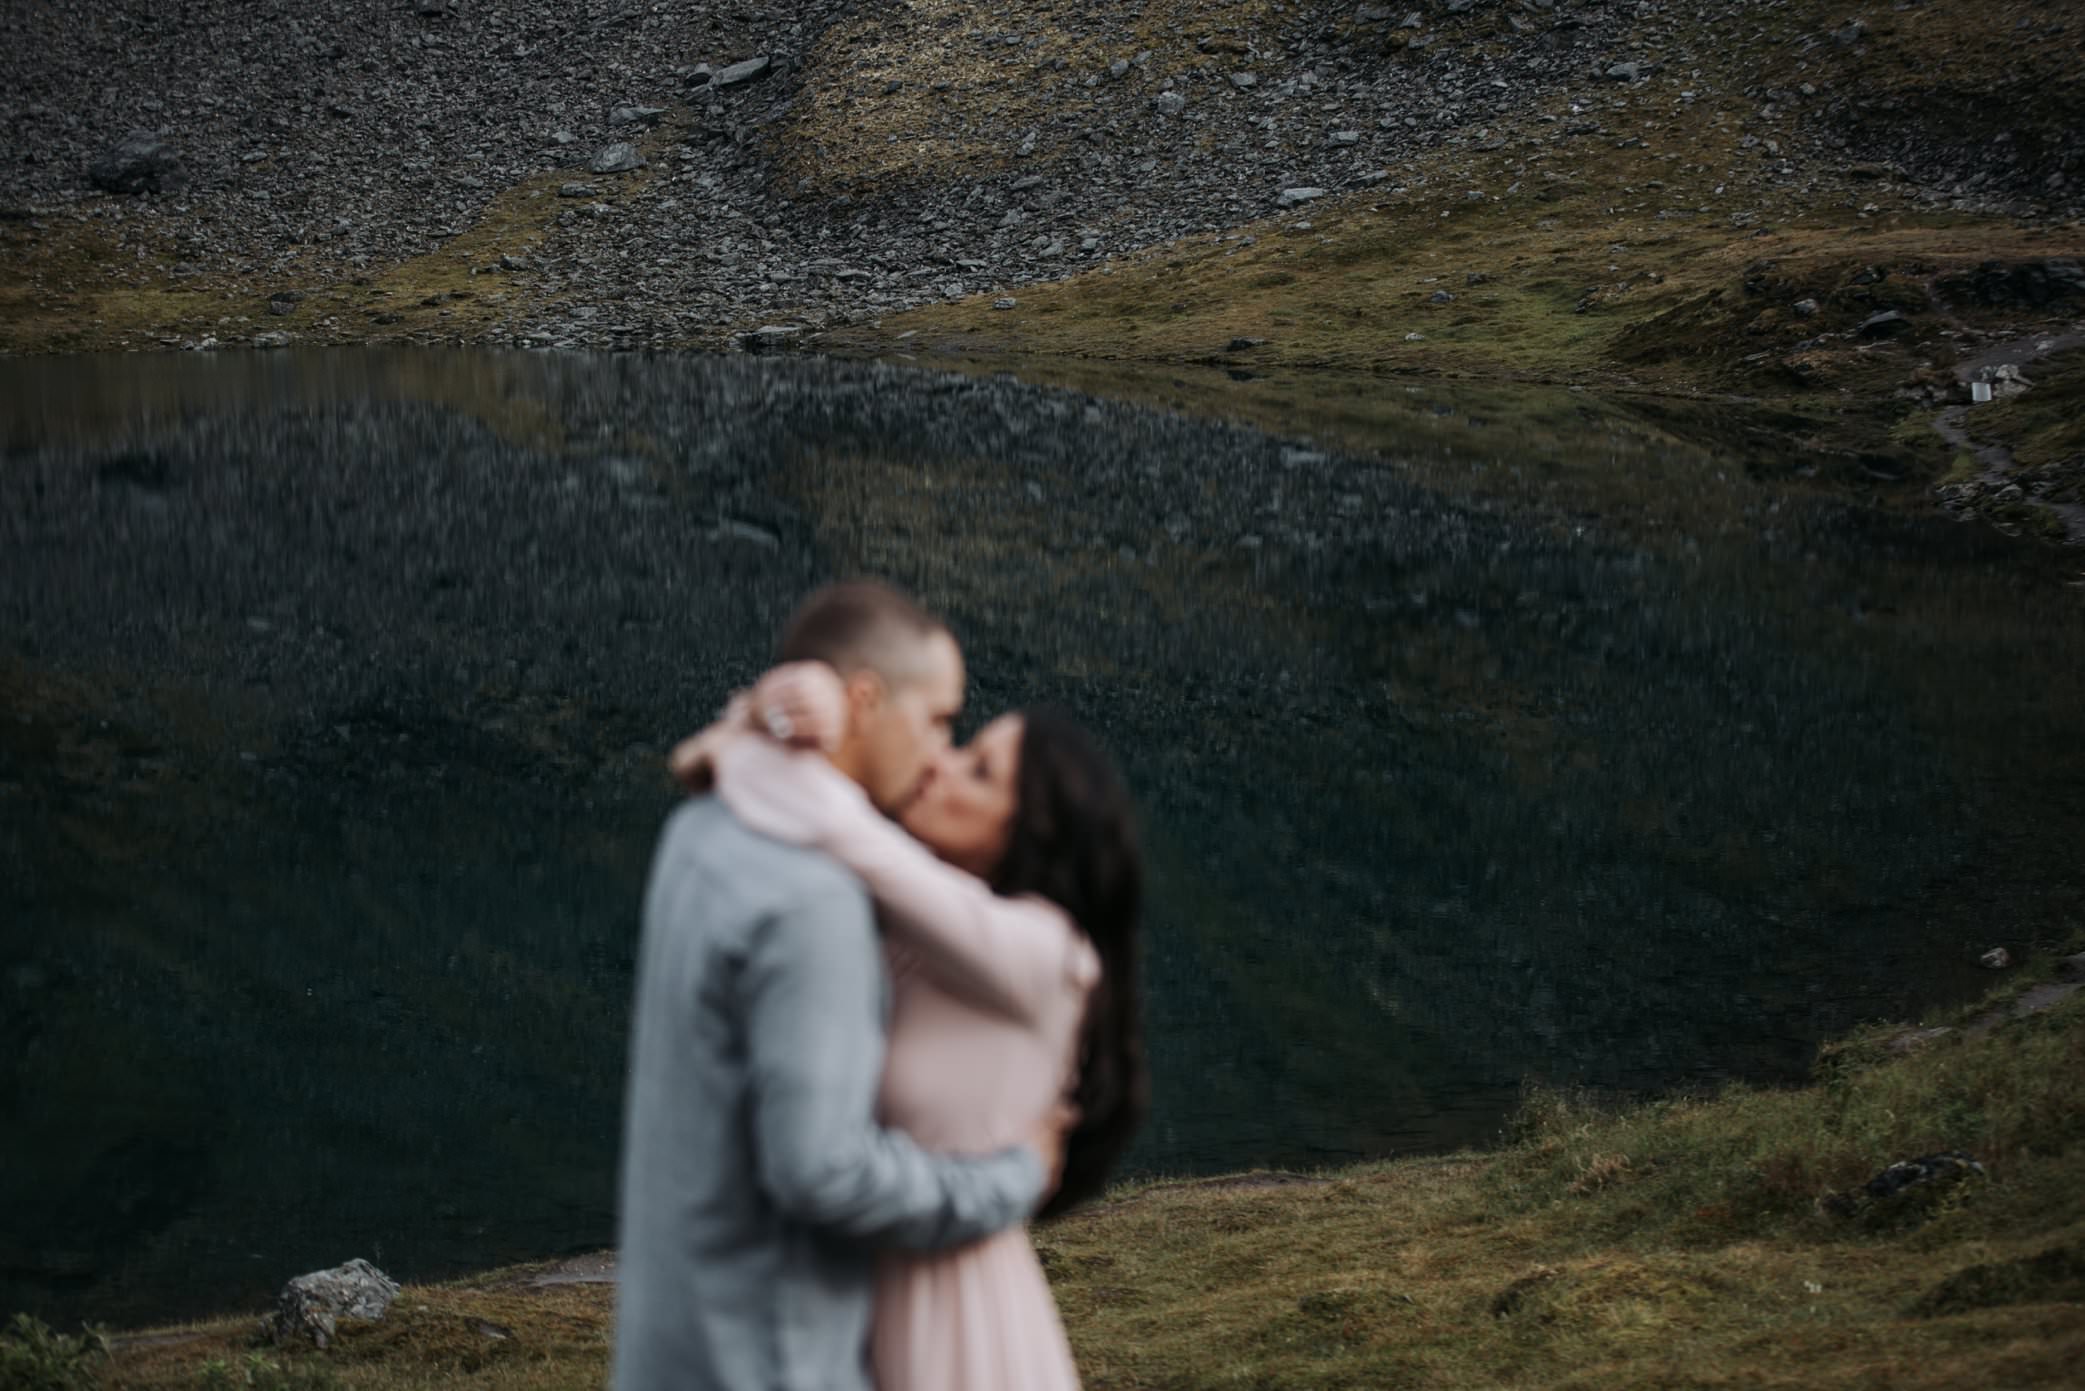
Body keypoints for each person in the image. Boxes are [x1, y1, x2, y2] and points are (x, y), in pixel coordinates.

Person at [612, 581, 1073, 1391]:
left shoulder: (698, 827)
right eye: (937, 719)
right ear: (865, 699)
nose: (939, 753)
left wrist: (759, 720)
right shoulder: (813, 899)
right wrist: (1011, 1177)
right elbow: (821, 1170)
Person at [669, 657, 1147, 1391]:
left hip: (958, 1327)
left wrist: (754, 733)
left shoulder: (1047, 953)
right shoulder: (920, 936)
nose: (937, 766)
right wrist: (785, 705)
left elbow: (831, 821)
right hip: (862, 1308)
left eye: (977, 772)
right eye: (959, 745)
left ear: (1032, 832)